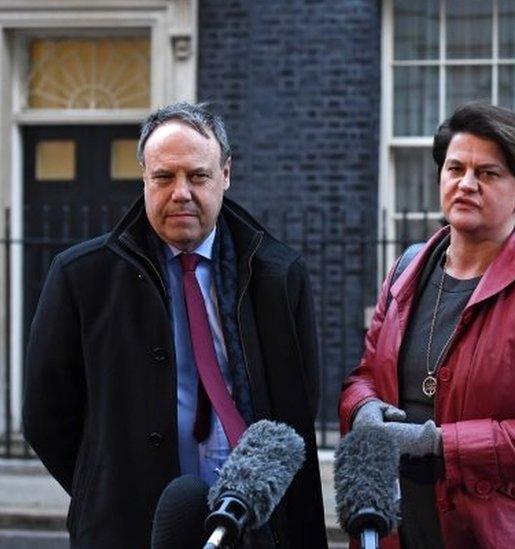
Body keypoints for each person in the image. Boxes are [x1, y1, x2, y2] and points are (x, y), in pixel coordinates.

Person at [22, 101, 328, 548]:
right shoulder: (81, 277)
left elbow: (298, 404)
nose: (181, 192)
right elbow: (46, 416)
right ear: (144, 178)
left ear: (225, 174)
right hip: (133, 528)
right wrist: (106, 490)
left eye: (198, 175)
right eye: (164, 177)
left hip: (255, 526)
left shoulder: (278, 275)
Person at [339, 102, 515, 548]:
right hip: (402, 525)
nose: (466, 184)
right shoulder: (407, 270)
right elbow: (365, 376)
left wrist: (437, 445)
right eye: (455, 168)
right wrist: (363, 409)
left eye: (488, 173)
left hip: (507, 534)